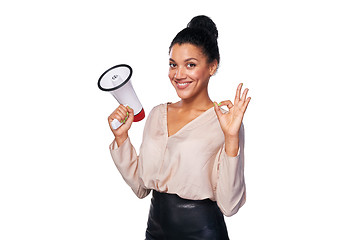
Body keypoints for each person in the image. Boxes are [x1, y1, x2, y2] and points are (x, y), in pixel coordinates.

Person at [107, 15, 251, 240]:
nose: (178, 74)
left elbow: (230, 205)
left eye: (190, 65)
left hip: (203, 233)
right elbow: (141, 186)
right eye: (173, 65)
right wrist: (122, 138)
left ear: (212, 66)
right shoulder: (157, 115)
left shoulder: (226, 123)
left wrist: (231, 138)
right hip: (156, 231)